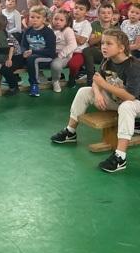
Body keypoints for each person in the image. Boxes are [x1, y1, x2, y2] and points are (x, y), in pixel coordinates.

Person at [51, 29, 140, 173]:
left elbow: (130, 97)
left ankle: (120, 156)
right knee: (84, 91)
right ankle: (70, 131)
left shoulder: (133, 66)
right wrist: (98, 94)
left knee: (126, 106)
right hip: (117, 100)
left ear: (121, 48)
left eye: (109, 43)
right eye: (103, 43)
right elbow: (96, 80)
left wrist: (104, 85)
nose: (104, 46)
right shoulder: (107, 60)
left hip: (135, 103)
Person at [21, 5, 56, 97]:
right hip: (30, 54)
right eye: (32, 17)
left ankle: (34, 85)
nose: (34, 20)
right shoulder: (28, 30)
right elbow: (23, 45)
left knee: (32, 59)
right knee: (17, 57)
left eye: (38, 17)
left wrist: (33, 52)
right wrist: (24, 52)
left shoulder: (48, 32)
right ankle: (13, 83)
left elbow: (51, 51)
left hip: (46, 57)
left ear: (43, 19)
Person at [84, 3, 116, 86]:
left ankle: (107, 79)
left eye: (109, 13)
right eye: (103, 13)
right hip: (97, 52)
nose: (106, 15)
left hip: (109, 54)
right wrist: (104, 35)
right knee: (87, 50)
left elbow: (115, 45)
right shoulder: (94, 25)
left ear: (112, 15)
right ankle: (90, 79)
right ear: (98, 15)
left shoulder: (115, 29)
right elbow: (91, 42)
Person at [67, 0, 92, 87]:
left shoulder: (86, 24)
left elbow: (81, 41)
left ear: (86, 12)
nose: (77, 10)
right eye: (76, 8)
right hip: (67, 50)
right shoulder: (71, 22)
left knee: (73, 65)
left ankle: (72, 77)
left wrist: (70, 32)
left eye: (81, 9)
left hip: (79, 52)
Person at [50, 9, 76, 93]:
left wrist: (61, 55)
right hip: (49, 53)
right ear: (52, 19)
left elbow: (73, 45)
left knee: (55, 65)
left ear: (66, 22)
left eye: (61, 20)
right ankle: (39, 76)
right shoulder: (49, 28)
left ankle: (55, 80)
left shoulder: (68, 30)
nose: (58, 22)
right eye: (56, 19)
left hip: (63, 56)